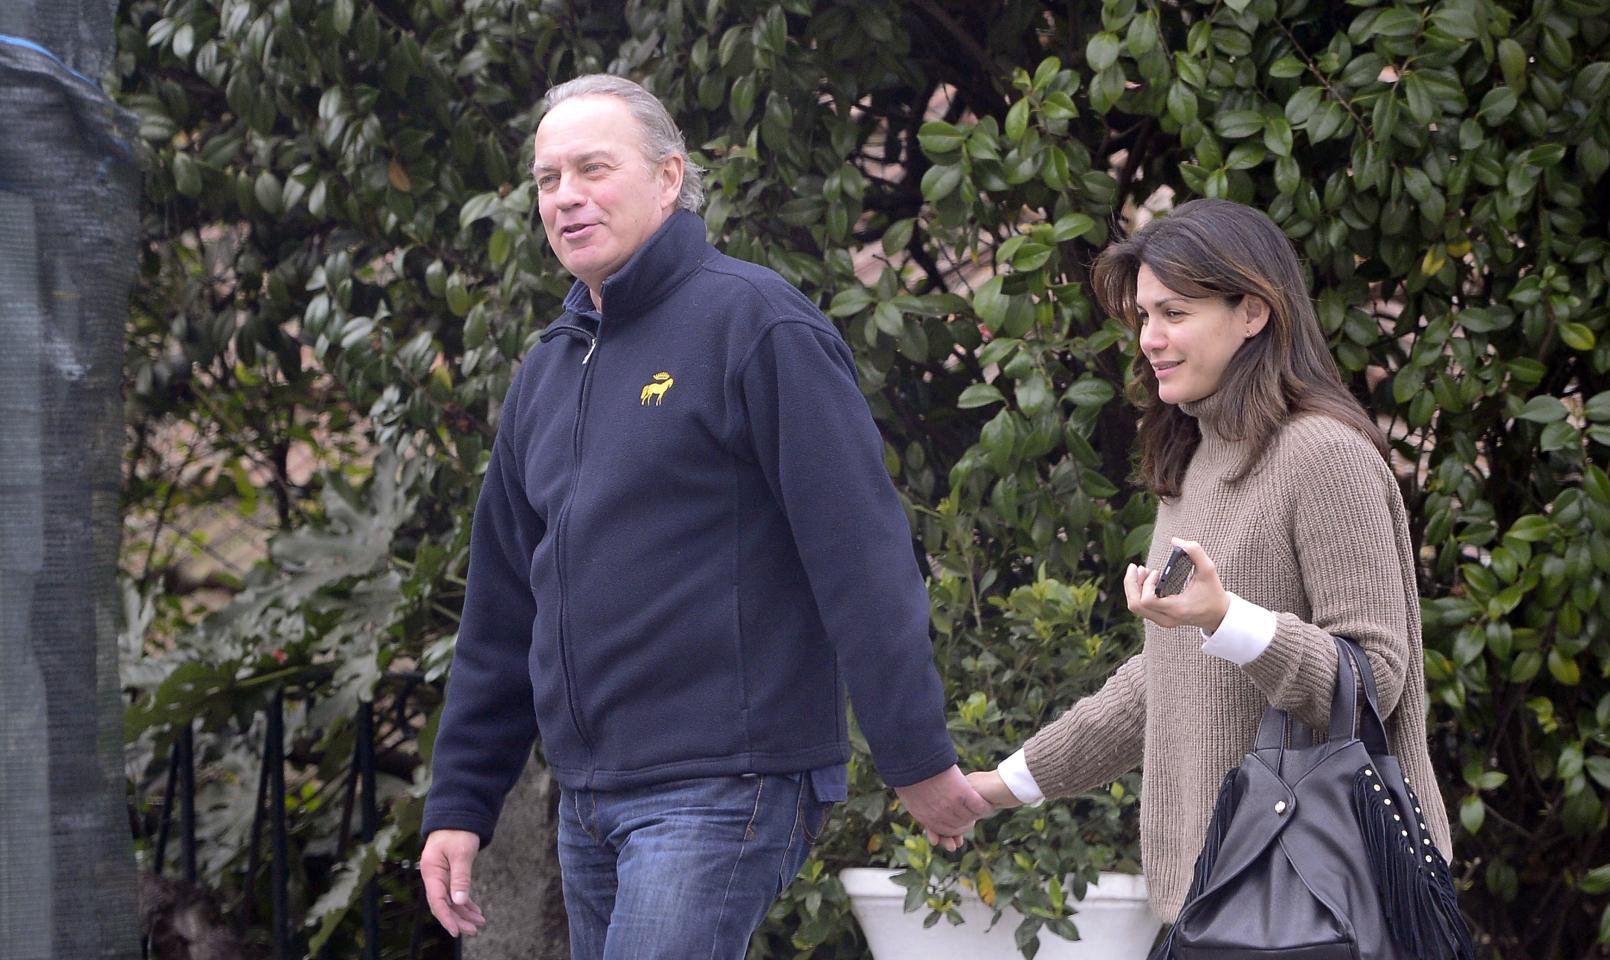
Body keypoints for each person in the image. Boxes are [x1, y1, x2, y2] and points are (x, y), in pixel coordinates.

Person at [418, 74, 990, 959]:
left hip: (729, 780)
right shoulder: (547, 370)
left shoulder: (756, 325)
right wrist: (461, 800)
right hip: (591, 796)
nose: (566, 197)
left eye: (593, 169)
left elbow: (863, 555)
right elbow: (502, 606)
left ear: (670, 178)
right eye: (547, 179)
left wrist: (913, 755)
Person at [965, 198, 1454, 924]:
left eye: (1175, 314)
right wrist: (997, 788)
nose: (1150, 340)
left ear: (1253, 312)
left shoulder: (1324, 457)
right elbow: (1160, 681)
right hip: (1217, 899)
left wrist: (1229, 619)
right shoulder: (1194, 463)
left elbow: (1374, 681)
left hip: (1333, 903)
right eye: (1142, 317)